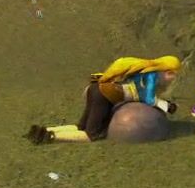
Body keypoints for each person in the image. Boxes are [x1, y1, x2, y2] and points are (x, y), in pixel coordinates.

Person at [26, 55, 181, 144]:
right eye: (172, 74)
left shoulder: (142, 72)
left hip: (97, 89)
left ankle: (43, 130)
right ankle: (49, 136)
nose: (173, 78)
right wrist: (166, 106)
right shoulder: (152, 77)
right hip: (104, 95)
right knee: (92, 135)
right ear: (165, 71)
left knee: (81, 127)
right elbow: (147, 99)